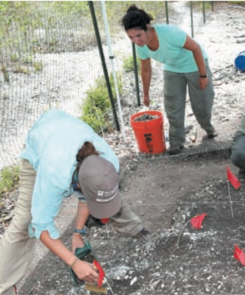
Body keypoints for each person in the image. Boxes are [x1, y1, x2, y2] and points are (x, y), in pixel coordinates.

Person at [0, 110, 148, 295]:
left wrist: (77, 234)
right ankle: (3, 286)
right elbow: (42, 226)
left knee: (103, 190)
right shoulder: (54, 174)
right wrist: (74, 263)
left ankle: (137, 232)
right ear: (78, 182)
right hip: (42, 145)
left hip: (65, 132)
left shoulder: (108, 163)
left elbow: (87, 195)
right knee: (24, 222)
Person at [122, 5, 217, 155]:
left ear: (147, 27)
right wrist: (145, 94)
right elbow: (146, 69)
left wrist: (203, 75)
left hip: (194, 65)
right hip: (172, 68)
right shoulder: (140, 46)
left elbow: (196, 48)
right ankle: (176, 142)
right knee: (173, 107)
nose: (136, 40)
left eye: (138, 35)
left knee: (201, 104)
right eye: (131, 37)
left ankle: (208, 127)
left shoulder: (170, 33)